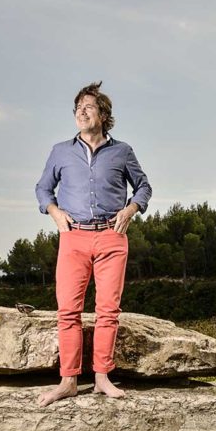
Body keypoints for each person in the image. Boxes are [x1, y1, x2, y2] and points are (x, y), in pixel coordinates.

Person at [34, 82, 152, 405]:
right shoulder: (60, 151)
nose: (81, 112)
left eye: (88, 107)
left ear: (103, 114)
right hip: (73, 237)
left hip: (112, 238)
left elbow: (143, 187)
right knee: (68, 311)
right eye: (78, 108)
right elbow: (43, 190)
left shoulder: (123, 151)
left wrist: (130, 210)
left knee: (107, 311)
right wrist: (56, 214)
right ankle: (68, 381)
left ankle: (102, 378)